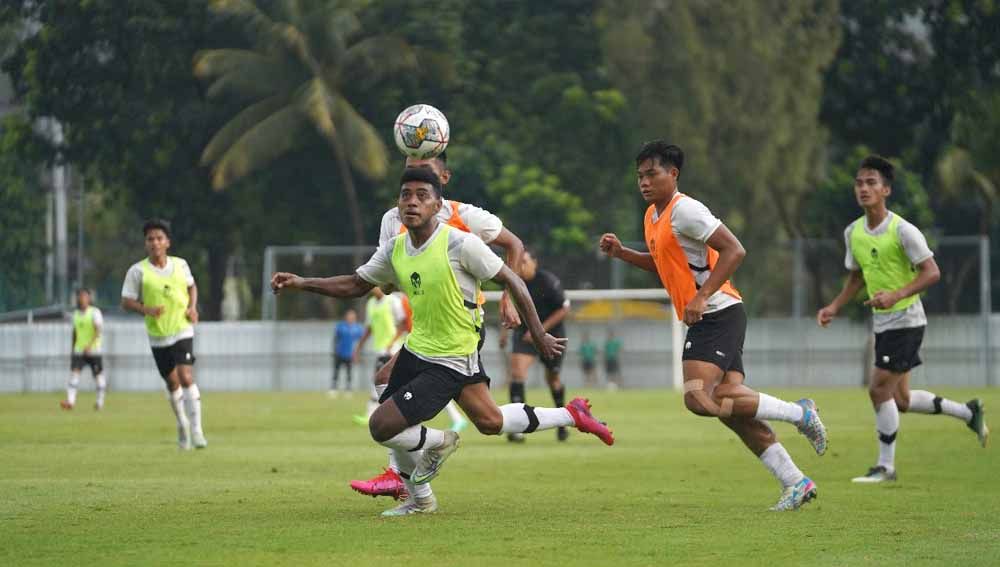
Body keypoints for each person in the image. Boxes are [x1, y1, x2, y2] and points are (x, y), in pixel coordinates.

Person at [272, 167, 613, 516]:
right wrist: (301, 282)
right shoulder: (395, 249)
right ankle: (571, 415)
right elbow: (355, 284)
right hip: (420, 348)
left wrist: (538, 334)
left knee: (382, 426)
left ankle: (437, 447)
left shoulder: (460, 243)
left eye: (422, 195)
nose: (413, 202)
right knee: (489, 421)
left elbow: (514, 280)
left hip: (451, 357)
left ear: (438, 205)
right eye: (406, 195)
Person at [600, 140, 827, 511]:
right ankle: (796, 482)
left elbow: (735, 249)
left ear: (673, 174)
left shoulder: (686, 210)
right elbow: (665, 266)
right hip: (713, 314)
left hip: (716, 312)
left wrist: (702, 296)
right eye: (639, 175)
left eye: (651, 174)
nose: (643, 182)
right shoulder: (652, 217)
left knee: (697, 398)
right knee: (731, 412)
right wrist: (624, 254)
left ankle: (800, 413)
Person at [349, 152, 524, 501]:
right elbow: (383, 283)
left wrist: (509, 297)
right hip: (425, 332)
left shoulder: (464, 217)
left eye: (425, 177)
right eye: (407, 181)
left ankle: (411, 476)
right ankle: (569, 414)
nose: (413, 191)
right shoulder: (393, 221)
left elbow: (513, 245)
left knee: (393, 396)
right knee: (489, 420)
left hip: (460, 330)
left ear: (442, 179)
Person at [817, 155, 989, 483]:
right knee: (901, 399)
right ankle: (968, 412)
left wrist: (895, 295)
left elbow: (932, 272)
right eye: (859, 182)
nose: (863, 188)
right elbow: (856, 277)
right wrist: (835, 306)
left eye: (871, 183)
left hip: (907, 320)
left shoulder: (903, 230)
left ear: (886, 190)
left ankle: (886, 467)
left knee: (878, 391)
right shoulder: (853, 232)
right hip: (883, 323)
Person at [120, 219, 207, 450]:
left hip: (182, 328)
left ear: (167, 242)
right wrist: (146, 309)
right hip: (158, 334)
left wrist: (192, 307)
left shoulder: (180, 265)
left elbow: (192, 286)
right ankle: (182, 424)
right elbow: (126, 302)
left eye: (159, 238)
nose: (155, 243)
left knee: (186, 376)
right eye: (150, 239)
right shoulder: (138, 271)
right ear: (145, 244)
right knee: (172, 382)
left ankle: (197, 430)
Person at [499, 250, 571, 442]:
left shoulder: (548, 281)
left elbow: (564, 309)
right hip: (525, 335)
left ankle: (562, 423)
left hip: (551, 335)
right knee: (517, 373)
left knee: (553, 379)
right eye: (518, 262)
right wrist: (505, 332)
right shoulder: (514, 282)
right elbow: (509, 308)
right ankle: (517, 428)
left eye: (524, 262)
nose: (521, 266)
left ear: (534, 263)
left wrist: (540, 331)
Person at [351, 287, 408, 422]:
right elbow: (369, 328)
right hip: (380, 349)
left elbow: (404, 323)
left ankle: (372, 413)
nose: (372, 287)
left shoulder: (392, 300)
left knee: (380, 379)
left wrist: (391, 343)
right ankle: (386, 414)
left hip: (393, 348)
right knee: (388, 382)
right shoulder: (370, 304)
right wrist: (359, 347)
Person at [62, 288, 107, 411]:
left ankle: (99, 402)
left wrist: (90, 345)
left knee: (98, 376)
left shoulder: (94, 312)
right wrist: (72, 349)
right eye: (80, 296)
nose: (82, 299)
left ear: (89, 298)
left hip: (94, 351)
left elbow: (98, 330)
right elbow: (75, 332)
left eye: (85, 296)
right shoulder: (75, 314)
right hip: (79, 350)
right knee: (74, 375)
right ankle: (70, 402)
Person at [330, 308, 363, 398]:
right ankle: (334, 388)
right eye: (349, 316)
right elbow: (335, 339)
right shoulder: (341, 326)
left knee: (349, 372)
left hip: (350, 354)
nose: (350, 317)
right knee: (336, 371)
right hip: (340, 353)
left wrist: (357, 354)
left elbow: (360, 341)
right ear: (346, 317)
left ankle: (348, 389)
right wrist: (334, 350)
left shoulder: (358, 328)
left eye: (352, 316)